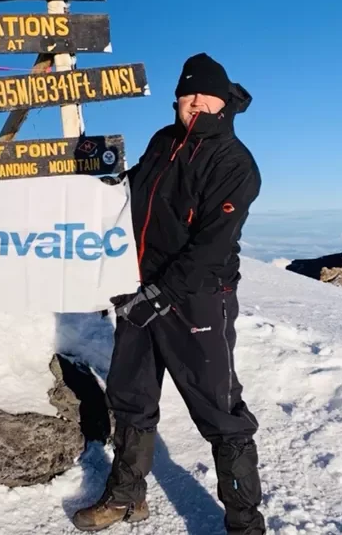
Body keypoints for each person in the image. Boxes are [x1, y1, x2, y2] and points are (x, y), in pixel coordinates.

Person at [72, 53, 265, 534]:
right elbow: (138, 191)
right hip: (139, 290)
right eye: (187, 93)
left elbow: (212, 246)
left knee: (220, 411)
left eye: (204, 93)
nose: (195, 100)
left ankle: (245, 522)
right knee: (131, 397)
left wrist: (161, 295)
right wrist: (109, 183)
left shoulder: (234, 163)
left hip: (198, 299)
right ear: (177, 100)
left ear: (224, 100)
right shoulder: (164, 141)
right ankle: (125, 497)